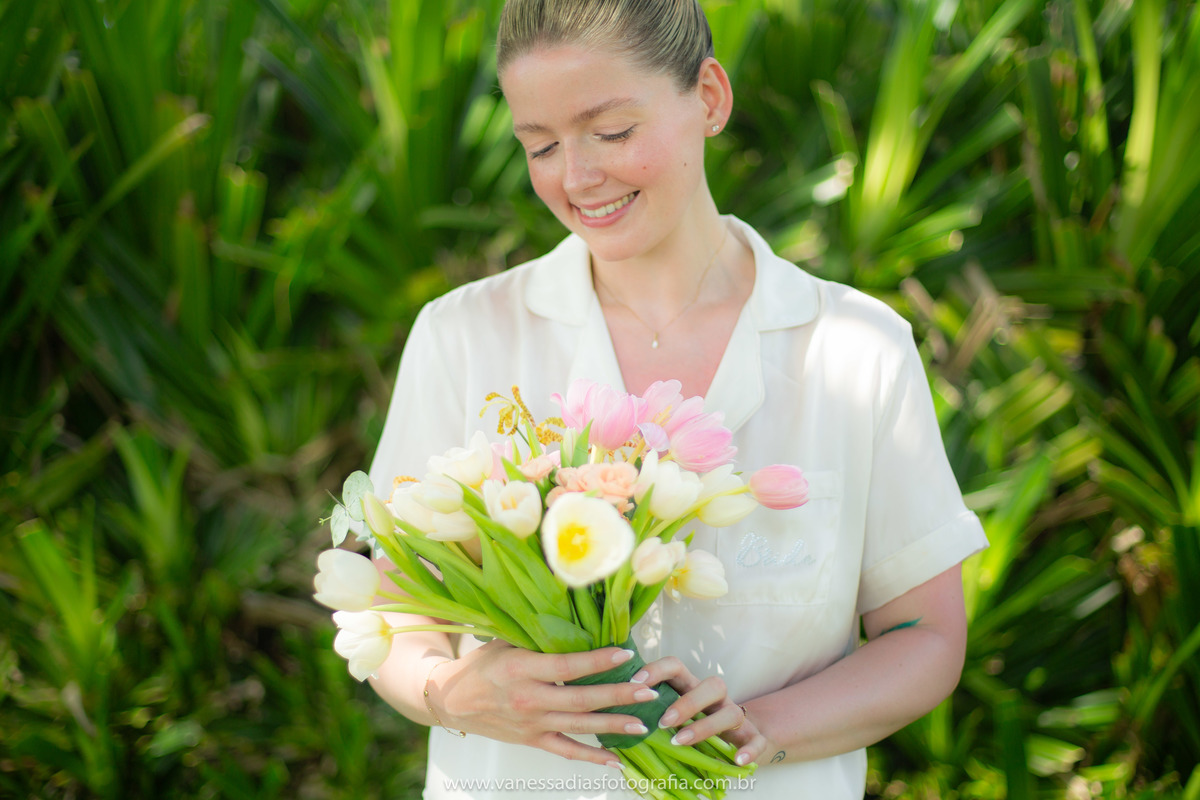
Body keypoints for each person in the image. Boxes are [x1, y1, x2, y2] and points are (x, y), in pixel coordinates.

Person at [364, 1, 988, 797]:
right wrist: (454, 693)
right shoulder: (465, 336)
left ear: (710, 98)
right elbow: (387, 610)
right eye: (542, 146)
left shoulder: (856, 349)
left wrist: (764, 729)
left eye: (613, 132)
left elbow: (924, 634)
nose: (577, 177)